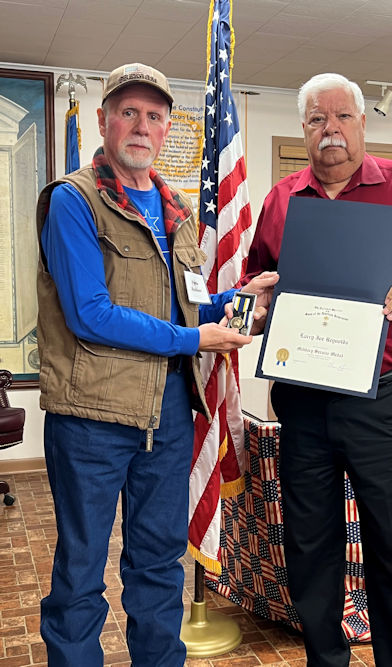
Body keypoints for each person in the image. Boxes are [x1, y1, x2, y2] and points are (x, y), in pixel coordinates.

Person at [36, 62, 278, 666]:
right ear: (103, 121)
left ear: (168, 129)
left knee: (158, 570)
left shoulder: (179, 214)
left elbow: (190, 304)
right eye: (128, 113)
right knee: (80, 579)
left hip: (169, 418)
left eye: (154, 116)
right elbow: (91, 313)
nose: (141, 126)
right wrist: (195, 340)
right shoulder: (73, 201)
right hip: (92, 419)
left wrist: (244, 301)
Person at [244, 73, 392, 667]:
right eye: (317, 120)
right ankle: (326, 660)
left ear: (363, 123)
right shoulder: (281, 199)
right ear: (304, 130)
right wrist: (257, 300)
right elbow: (258, 278)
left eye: (342, 117)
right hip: (302, 400)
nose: (331, 130)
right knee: (311, 547)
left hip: (380, 402)